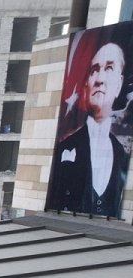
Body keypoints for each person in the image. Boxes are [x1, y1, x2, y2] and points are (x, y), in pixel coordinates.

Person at [47, 41, 130, 217]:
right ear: (86, 85)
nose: (99, 79)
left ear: (119, 84)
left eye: (109, 68)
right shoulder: (65, 147)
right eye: (94, 70)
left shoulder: (122, 154)